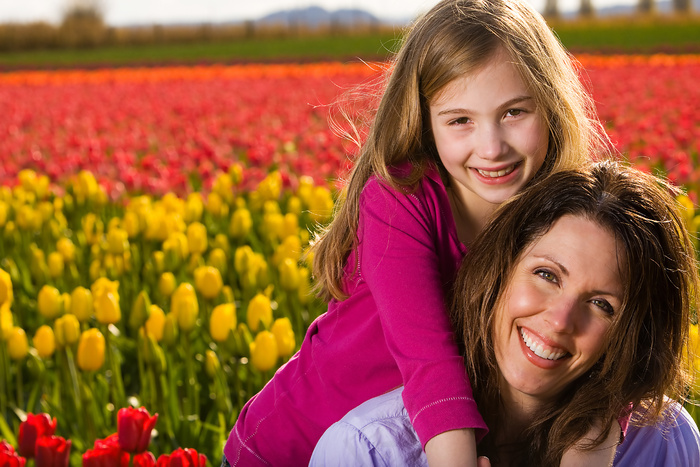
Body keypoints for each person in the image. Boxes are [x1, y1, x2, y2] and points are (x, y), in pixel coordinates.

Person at [222, 0, 612, 464]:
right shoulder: (398, 199)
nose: (491, 147)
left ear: (550, 105)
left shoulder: (565, 213)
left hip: (413, 445)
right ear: (424, 120)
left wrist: (594, 437)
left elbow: (623, 335)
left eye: (514, 113)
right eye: (460, 120)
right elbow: (428, 358)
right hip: (298, 443)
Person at [310, 161, 700, 466]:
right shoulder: (369, 452)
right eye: (546, 275)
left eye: (602, 304)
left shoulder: (665, 442)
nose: (561, 320)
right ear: (500, 269)